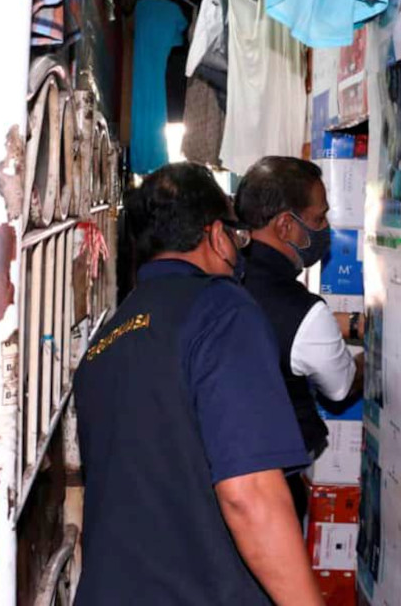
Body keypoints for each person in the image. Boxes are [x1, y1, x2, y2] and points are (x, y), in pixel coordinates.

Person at [73, 163, 323, 605]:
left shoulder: (103, 343)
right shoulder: (221, 311)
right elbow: (250, 495)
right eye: (235, 236)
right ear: (215, 235)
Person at [234, 156, 364, 518]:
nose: (325, 228)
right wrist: (387, 349)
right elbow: (341, 386)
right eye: (319, 219)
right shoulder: (303, 311)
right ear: (286, 227)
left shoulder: (219, 275)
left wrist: (348, 324)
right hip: (271, 491)